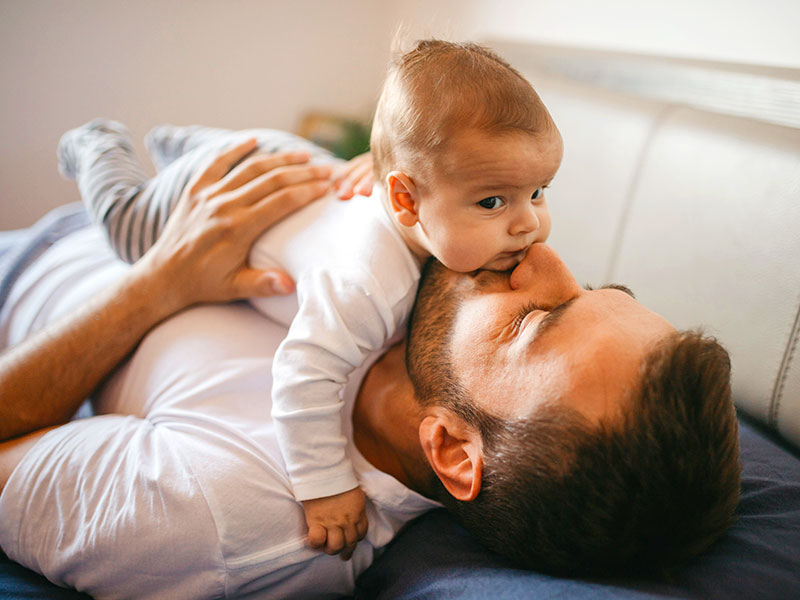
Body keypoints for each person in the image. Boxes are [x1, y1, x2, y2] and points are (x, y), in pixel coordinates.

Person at [55, 39, 562, 557]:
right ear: (404, 200)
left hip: (284, 160)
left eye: (539, 191)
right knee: (128, 230)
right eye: (493, 201)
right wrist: (325, 484)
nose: (529, 225)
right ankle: (100, 144)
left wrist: (384, 164)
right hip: (222, 188)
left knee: (236, 153)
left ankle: (177, 142)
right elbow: (303, 377)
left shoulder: (438, 217)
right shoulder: (364, 286)